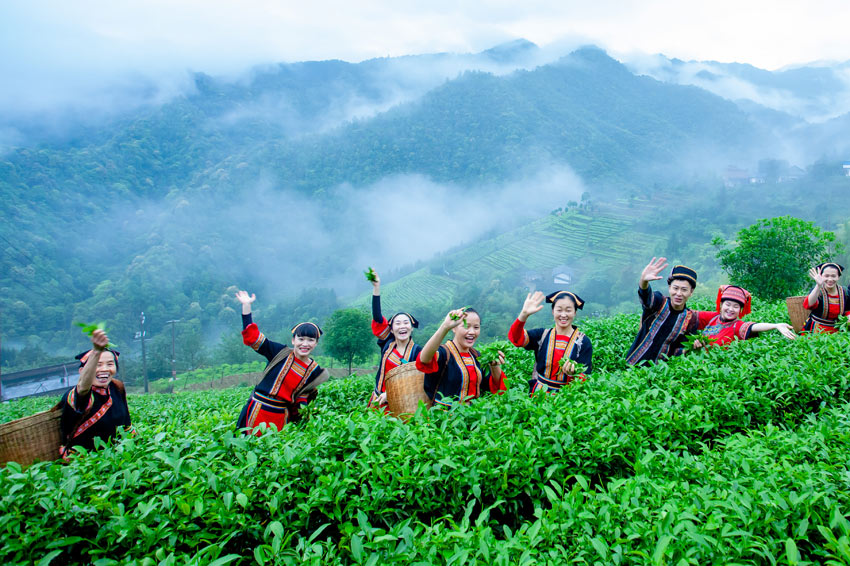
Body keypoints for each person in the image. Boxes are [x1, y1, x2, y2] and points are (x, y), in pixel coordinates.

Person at [235, 290, 329, 434]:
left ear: (316, 343)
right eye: (301, 339)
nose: (305, 344)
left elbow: (303, 397)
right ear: (293, 340)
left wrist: (305, 415)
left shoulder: (314, 370)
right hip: (257, 410)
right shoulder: (279, 352)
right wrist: (246, 306)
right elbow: (252, 338)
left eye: (311, 340)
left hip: (280, 417)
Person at [56, 329, 133, 459]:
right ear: (82, 371)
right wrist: (96, 352)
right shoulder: (80, 396)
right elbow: (82, 387)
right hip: (84, 464)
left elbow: (126, 427)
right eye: (97, 365)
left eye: (110, 364)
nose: (104, 369)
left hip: (114, 459)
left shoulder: (117, 388)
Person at [415, 308, 507, 409]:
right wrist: (445, 327)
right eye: (466, 326)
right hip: (444, 417)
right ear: (454, 328)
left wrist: (495, 366)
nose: (472, 332)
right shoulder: (444, 353)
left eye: (476, 327)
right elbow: (424, 359)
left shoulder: (477, 356)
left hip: (472, 416)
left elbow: (496, 387)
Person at [508, 290, 593, 395]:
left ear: (575, 312)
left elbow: (585, 376)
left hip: (567, 397)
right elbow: (516, 339)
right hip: (539, 395)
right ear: (553, 311)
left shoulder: (583, 342)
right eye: (559, 310)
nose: (563, 315)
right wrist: (523, 315)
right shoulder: (542, 335)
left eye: (568, 310)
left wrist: (574, 374)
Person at [625, 257, 700, 365]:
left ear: (691, 292)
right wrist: (643, 280)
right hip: (633, 364)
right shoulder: (659, 302)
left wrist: (691, 348)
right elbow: (646, 297)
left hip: (660, 373)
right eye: (675, 288)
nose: (678, 293)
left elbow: (678, 351)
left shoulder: (691, 319)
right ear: (669, 288)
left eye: (684, 290)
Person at [367, 270, 422, 410]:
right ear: (391, 329)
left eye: (405, 323)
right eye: (397, 323)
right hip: (378, 400)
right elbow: (378, 317)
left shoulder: (417, 351)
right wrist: (376, 288)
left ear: (411, 328)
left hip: (403, 404)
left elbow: (417, 380)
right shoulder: (388, 343)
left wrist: (389, 393)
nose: (402, 326)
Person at [695, 285, 796, 347]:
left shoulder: (737, 326)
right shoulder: (712, 317)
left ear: (740, 310)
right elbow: (689, 315)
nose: (730, 309)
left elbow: (754, 326)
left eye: (735, 306)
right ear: (721, 305)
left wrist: (775, 325)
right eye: (728, 304)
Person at [802, 263, 850, 334]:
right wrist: (818, 285)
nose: (830, 279)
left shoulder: (845, 292)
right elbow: (809, 304)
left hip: (837, 330)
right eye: (826, 276)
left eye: (833, 276)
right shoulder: (817, 291)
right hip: (816, 330)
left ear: (838, 277)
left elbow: (847, 309)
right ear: (821, 276)